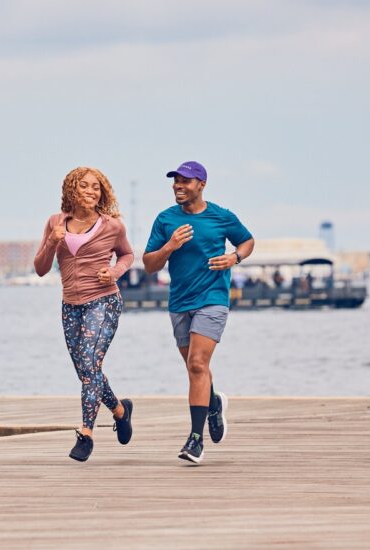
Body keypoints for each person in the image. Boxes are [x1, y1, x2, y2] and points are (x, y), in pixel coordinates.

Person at [142, 161, 254, 464]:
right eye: (175, 181)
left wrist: (234, 258)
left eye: (185, 181)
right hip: (179, 301)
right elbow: (149, 265)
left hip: (213, 298)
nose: (178, 186)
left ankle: (195, 440)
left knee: (197, 363)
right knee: (196, 370)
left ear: (201, 184)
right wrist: (170, 246)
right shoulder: (165, 220)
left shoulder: (221, 216)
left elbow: (247, 240)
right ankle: (213, 402)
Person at [34, 166, 135, 462]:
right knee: (86, 371)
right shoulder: (55, 222)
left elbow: (128, 255)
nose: (91, 192)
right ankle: (119, 410)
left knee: (90, 363)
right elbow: (40, 269)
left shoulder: (112, 226)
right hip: (70, 305)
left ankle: (86, 434)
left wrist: (114, 271)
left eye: (97, 187)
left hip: (104, 302)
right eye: (84, 186)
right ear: (71, 189)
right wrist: (53, 241)